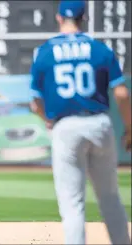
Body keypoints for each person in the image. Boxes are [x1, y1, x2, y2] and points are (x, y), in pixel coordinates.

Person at [28, 1, 131, 244]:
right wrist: (129, 128)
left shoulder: (45, 52)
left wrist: (48, 120)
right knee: (110, 198)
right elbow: (122, 94)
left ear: (58, 18)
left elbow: (35, 103)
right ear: (84, 17)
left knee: (72, 203)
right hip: (99, 123)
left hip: (66, 126)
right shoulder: (99, 49)